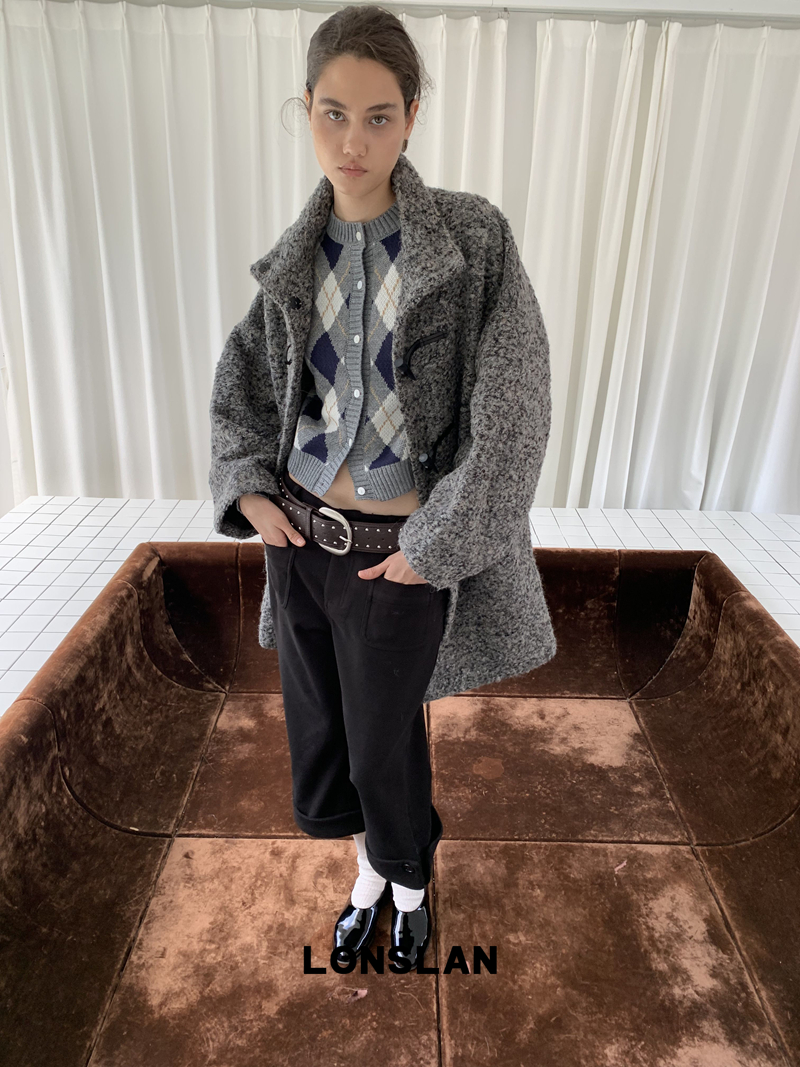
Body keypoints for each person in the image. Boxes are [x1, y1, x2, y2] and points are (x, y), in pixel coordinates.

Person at [208, 5, 556, 971]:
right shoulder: (296, 256)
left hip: (399, 555)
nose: (351, 142)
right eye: (331, 114)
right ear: (305, 110)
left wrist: (436, 546)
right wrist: (248, 489)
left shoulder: (470, 240)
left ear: (411, 117)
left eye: (377, 117)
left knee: (378, 742)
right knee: (328, 736)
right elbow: (244, 383)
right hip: (299, 544)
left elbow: (517, 403)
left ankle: (402, 886)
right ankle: (380, 876)